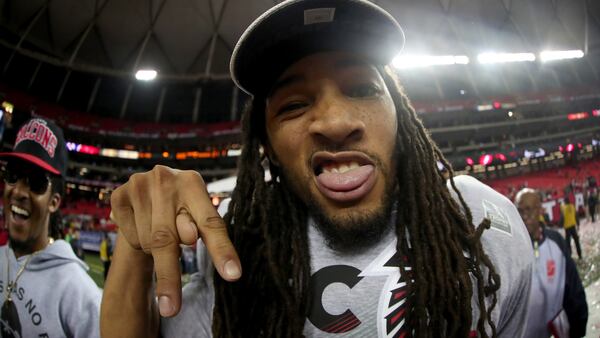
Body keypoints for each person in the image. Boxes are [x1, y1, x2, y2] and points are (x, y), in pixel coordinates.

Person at [101, 1, 533, 337]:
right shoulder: (239, 248)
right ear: (267, 147)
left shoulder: (487, 225)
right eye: (294, 105)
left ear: (401, 118)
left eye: (362, 88)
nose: (335, 123)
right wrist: (135, 243)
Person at [0, 117, 102, 337]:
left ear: (54, 202)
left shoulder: (80, 294)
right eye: (13, 176)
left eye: (36, 183)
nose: (18, 192)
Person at [515, 188, 588, 338]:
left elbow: (573, 290)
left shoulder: (556, 242)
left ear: (540, 210)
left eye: (528, 210)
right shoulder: (509, 249)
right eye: (519, 211)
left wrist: (577, 329)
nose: (523, 217)